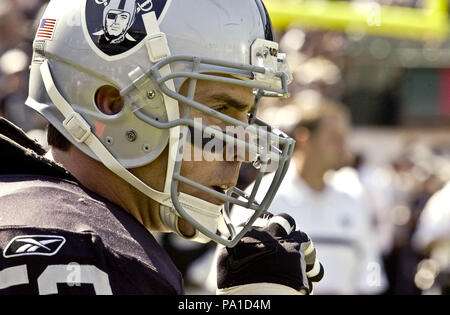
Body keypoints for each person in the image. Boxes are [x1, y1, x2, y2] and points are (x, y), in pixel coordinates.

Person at [0, 0, 322, 295]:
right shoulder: (88, 253)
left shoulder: (25, 204)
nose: (247, 150)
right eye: (222, 110)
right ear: (113, 105)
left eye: (247, 115)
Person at [230, 96, 386, 294]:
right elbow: (234, 277)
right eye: (334, 138)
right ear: (305, 139)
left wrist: (370, 290)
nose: (343, 146)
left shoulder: (354, 199)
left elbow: (371, 266)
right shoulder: (262, 196)